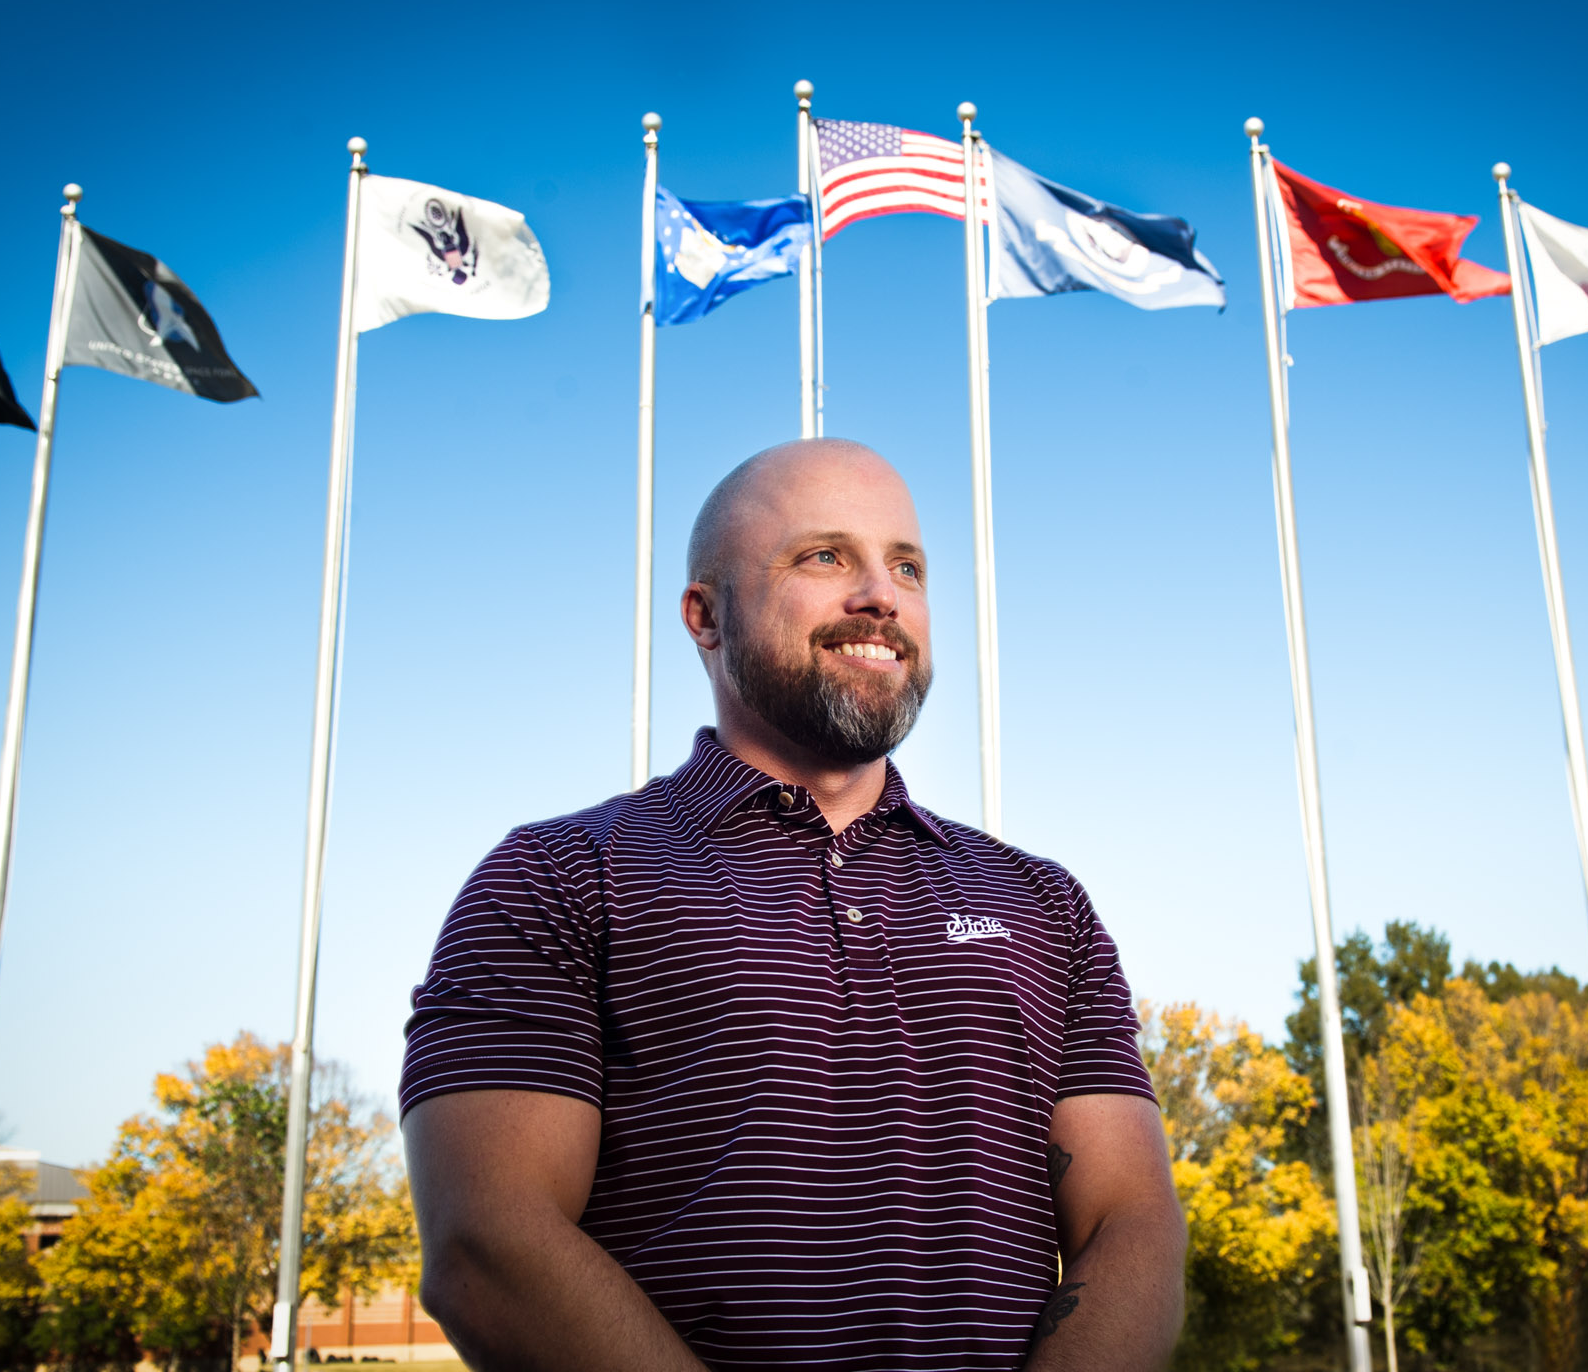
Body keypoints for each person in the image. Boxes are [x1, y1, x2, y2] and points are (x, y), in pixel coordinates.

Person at [400, 439, 1183, 1371]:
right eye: (825, 556)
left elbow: (1132, 1224)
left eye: (907, 566)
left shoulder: (1045, 901)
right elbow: (487, 1244)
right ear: (705, 615)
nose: (881, 596)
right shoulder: (558, 874)